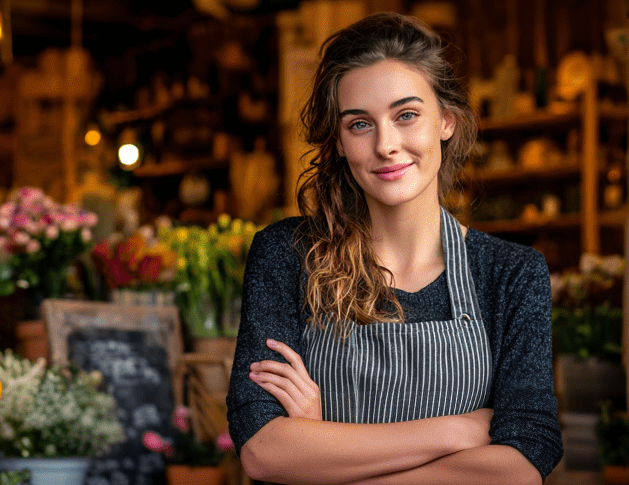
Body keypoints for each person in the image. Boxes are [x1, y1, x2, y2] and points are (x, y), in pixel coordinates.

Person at [225, 12, 561, 485]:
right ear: (339, 142)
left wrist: (322, 454)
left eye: (406, 115)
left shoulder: (511, 273)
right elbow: (264, 451)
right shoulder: (287, 255)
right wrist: (456, 430)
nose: (385, 145)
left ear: (446, 120)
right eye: (360, 124)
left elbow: (521, 467)